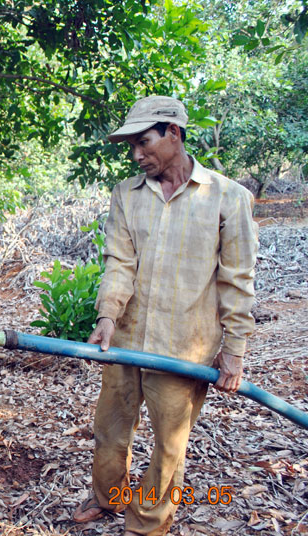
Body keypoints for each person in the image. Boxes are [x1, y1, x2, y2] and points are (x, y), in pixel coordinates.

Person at [72, 96, 258, 535]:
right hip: (126, 341)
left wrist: (234, 351)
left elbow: (237, 280)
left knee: (169, 447)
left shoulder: (228, 198)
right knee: (110, 430)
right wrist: (107, 317)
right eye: (132, 146)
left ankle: (147, 522)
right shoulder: (126, 195)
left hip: (183, 348)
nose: (137, 155)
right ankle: (108, 498)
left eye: (144, 142)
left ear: (174, 133)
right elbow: (120, 262)